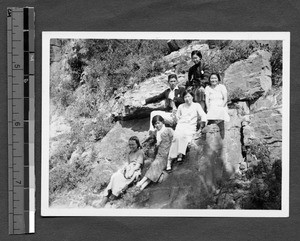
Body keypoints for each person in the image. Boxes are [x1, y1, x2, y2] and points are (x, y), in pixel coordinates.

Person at [166, 90, 207, 171]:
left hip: (190, 126)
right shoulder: (181, 106)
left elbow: (203, 115)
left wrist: (201, 126)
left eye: (188, 96)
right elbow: (177, 117)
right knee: (176, 137)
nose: (187, 98)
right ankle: (169, 161)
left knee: (185, 136)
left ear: (192, 97)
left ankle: (180, 154)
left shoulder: (196, 105)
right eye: (185, 97)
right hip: (181, 125)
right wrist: (179, 120)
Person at [101, 136, 144, 206]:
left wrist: (131, 172)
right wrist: (124, 169)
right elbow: (128, 163)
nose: (131, 146)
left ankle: (113, 197)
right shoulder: (129, 153)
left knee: (121, 179)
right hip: (129, 169)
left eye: (133, 144)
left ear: (137, 144)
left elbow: (138, 166)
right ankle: (103, 201)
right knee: (115, 176)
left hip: (135, 171)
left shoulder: (140, 152)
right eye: (130, 144)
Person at [136, 115, 173, 190]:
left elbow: (174, 141)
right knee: (155, 168)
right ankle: (143, 186)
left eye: (158, 123)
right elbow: (149, 140)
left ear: (162, 122)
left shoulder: (169, 130)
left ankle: (140, 183)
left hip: (166, 155)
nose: (157, 125)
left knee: (155, 164)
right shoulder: (156, 132)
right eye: (155, 124)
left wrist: (171, 156)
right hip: (159, 155)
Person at [205, 73, 230, 139]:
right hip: (212, 105)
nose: (213, 80)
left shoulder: (222, 87)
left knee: (220, 112)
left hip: (221, 104)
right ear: (209, 79)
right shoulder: (207, 88)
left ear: (218, 79)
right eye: (212, 78)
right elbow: (207, 100)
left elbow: (225, 99)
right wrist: (208, 108)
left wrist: (221, 106)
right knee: (210, 115)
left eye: (215, 78)